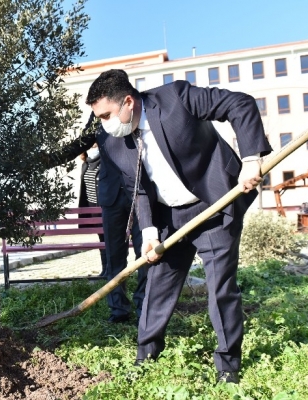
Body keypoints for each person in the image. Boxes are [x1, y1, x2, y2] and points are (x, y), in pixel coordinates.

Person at [86, 69, 272, 383]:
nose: (104, 124)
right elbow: (138, 187)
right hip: (169, 218)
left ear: (128, 102)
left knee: (220, 287)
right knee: (157, 287)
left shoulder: (175, 98)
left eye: (106, 115)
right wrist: (148, 233)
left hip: (213, 206)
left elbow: (239, 103)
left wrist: (251, 159)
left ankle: (228, 367)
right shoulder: (112, 141)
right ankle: (145, 358)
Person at [45, 115, 148, 325]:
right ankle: (118, 309)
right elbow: (78, 145)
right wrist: (45, 161)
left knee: (144, 254)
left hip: (141, 193)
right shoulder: (97, 118)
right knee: (114, 257)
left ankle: (144, 308)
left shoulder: (137, 108)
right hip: (110, 198)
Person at [78, 144, 107, 277]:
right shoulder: (86, 163)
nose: (92, 146)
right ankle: (105, 268)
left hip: (104, 207)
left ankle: (111, 269)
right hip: (92, 208)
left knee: (108, 239)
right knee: (101, 239)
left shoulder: (105, 161)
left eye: (94, 143)